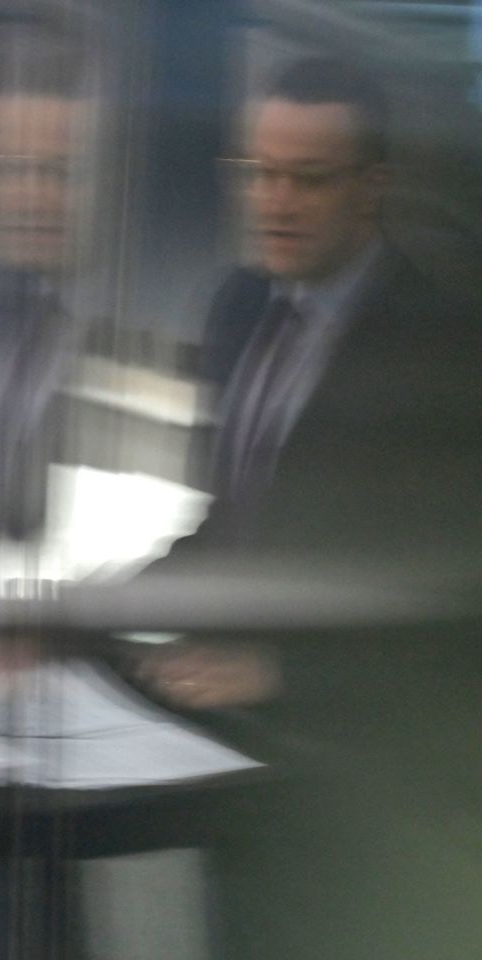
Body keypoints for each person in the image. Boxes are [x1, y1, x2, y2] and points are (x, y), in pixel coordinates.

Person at [131, 56, 482, 960]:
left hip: (378, 808)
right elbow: (235, 520)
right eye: (258, 175)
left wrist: (282, 670)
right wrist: (112, 608)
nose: (276, 202)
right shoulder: (241, 306)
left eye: (308, 180)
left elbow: (452, 612)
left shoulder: (441, 348)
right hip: (241, 780)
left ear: (374, 188)